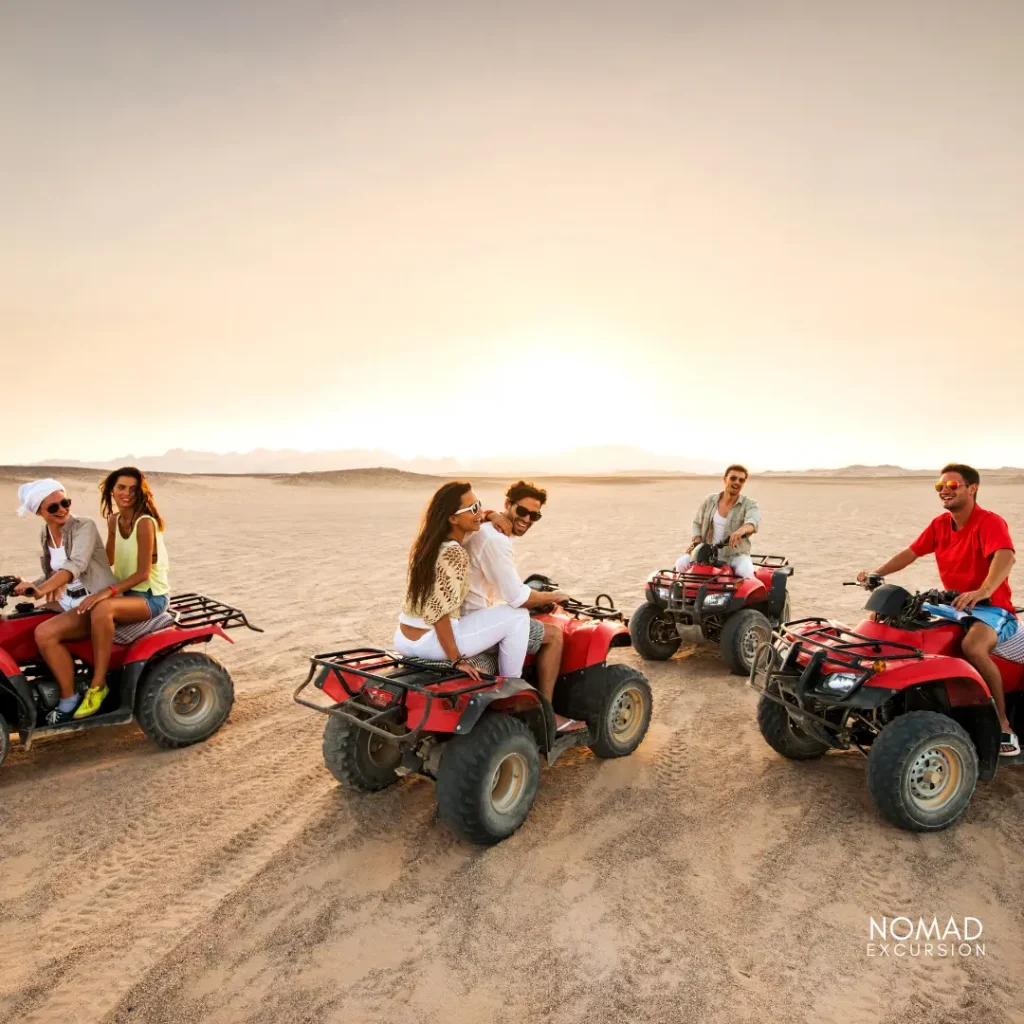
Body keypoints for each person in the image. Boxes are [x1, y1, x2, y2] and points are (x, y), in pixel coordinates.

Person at [857, 463, 1020, 756]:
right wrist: (877, 573)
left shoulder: (989, 522)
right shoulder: (940, 525)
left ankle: (1003, 724)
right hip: (952, 604)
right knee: (888, 621)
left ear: (972, 489)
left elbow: (1005, 557)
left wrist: (983, 590)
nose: (944, 490)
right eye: (939, 486)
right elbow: (911, 552)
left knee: (973, 645)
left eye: (952, 485)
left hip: (991, 609)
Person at [393, 481, 530, 680]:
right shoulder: (455, 553)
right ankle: (512, 686)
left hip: (403, 639)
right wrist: (457, 660)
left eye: (480, 504)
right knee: (518, 615)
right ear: (453, 519)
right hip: (431, 643)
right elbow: (438, 613)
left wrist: (490, 514)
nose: (480, 512)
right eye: (474, 508)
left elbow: (469, 516)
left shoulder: (428, 545)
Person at [13, 478, 117, 724]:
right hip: (69, 600)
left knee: (45, 633)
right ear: (40, 512)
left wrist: (40, 591)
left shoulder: (84, 526)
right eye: (53, 507)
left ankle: (68, 699)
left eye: (65, 502)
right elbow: (53, 575)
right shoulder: (46, 534)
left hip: (94, 602)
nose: (61, 509)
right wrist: (28, 585)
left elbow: (75, 566)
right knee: (22, 622)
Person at [71, 467, 171, 719]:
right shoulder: (114, 520)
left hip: (150, 597)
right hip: (125, 596)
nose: (127, 493)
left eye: (133, 489)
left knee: (102, 607)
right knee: (79, 609)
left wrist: (107, 591)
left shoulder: (144, 522)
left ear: (141, 493)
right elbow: (109, 559)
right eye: (121, 488)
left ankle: (98, 685)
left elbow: (143, 573)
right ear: (111, 490)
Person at [465, 480, 570, 703]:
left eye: (535, 516)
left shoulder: (482, 528)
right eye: (522, 511)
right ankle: (545, 708)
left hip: (466, 615)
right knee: (554, 635)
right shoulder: (496, 540)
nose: (527, 519)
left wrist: (491, 514)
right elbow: (518, 598)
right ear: (508, 504)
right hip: (472, 621)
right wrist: (555, 596)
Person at [675, 465, 761, 578]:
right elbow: (697, 523)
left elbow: (753, 521)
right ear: (725, 479)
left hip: (736, 555)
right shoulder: (710, 500)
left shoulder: (750, 504)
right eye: (733, 478)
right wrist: (697, 542)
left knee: (746, 573)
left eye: (741, 480)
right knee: (681, 563)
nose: (737, 482)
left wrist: (741, 530)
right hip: (708, 552)